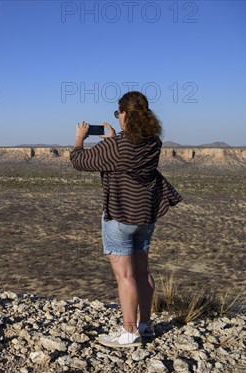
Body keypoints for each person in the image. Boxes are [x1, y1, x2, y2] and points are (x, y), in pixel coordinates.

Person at [70, 91, 182, 348]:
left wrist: (80, 138)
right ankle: (145, 324)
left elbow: (79, 161)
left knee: (125, 276)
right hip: (146, 216)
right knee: (143, 272)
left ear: (124, 115)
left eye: (118, 113)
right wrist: (113, 138)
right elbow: (127, 155)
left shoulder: (116, 147)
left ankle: (129, 332)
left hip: (120, 216)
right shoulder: (154, 142)